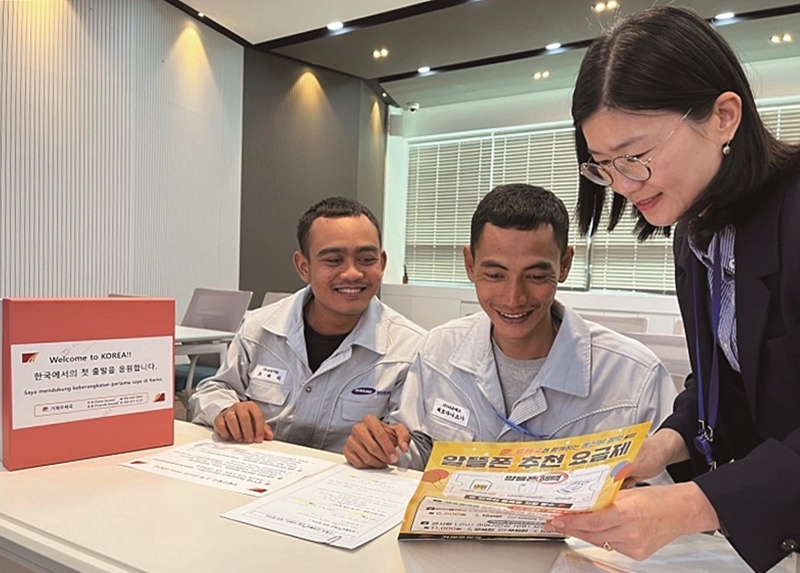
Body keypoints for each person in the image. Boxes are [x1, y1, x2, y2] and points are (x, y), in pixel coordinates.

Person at [546, 7, 800, 573]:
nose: (623, 185)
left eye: (636, 156)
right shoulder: (695, 233)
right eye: (603, 166)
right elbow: (734, 382)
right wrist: (665, 444)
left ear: (723, 117)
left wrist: (692, 504)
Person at [343, 183, 677, 472]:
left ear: (564, 264)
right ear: (470, 264)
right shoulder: (438, 352)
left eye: (535, 276)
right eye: (495, 274)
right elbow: (417, 451)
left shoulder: (634, 377)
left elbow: (661, 497)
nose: (513, 298)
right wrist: (382, 449)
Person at [189, 196, 425, 453]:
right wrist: (226, 410)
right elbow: (214, 389)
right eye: (334, 260)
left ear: (382, 262)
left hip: (346, 485)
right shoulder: (259, 329)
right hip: (257, 475)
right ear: (303, 267)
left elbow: (412, 444)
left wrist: (388, 446)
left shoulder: (410, 349)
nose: (352, 273)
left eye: (366, 259)